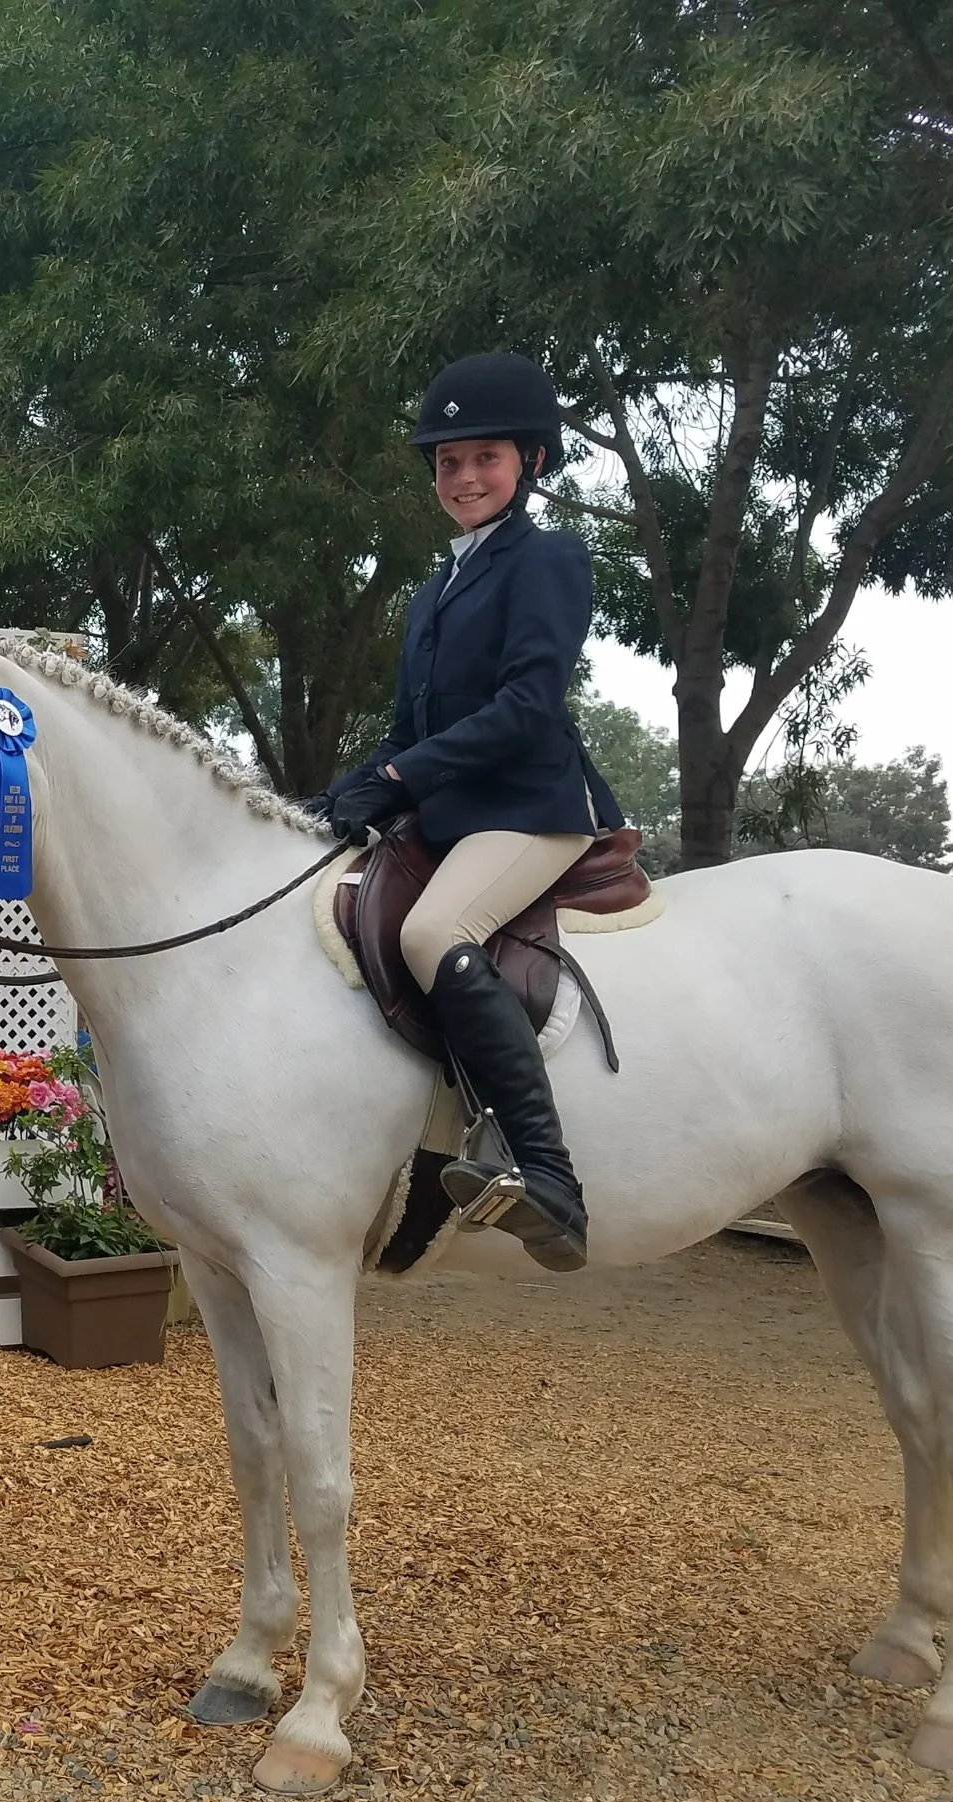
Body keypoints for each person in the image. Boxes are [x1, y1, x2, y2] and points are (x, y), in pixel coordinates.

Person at [312, 353, 624, 1268]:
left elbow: (527, 705)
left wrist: (400, 774)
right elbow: (409, 731)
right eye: (448, 462)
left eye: (484, 457)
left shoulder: (549, 559)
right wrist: (344, 792)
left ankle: (551, 1177)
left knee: (432, 932)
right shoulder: (431, 594)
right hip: (453, 816)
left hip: (532, 808)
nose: (463, 477)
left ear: (531, 460)